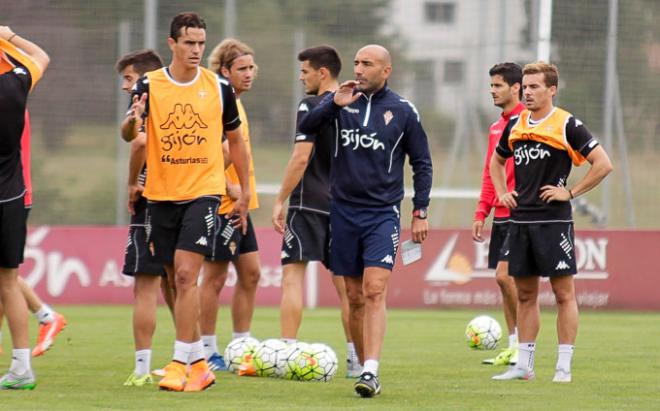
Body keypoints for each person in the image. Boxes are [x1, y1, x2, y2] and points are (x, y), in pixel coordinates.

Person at [121, 12, 250, 392]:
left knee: (184, 274)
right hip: (161, 194)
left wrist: (240, 189)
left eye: (201, 43)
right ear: (172, 44)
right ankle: (198, 362)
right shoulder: (148, 84)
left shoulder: (218, 88)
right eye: (189, 43)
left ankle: (180, 361)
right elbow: (131, 134)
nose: (196, 50)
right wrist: (133, 119)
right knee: (172, 279)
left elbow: (236, 142)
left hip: (204, 192)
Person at [298, 45, 433, 397]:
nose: (358, 69)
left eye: (367, 64)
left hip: (382, 214)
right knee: (354, 297)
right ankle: (360, 363)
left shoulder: (403, 111)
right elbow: (306, 126)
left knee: (374, 289)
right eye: (356, 63)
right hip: (341, 213)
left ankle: (371, 370)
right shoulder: (340, 103)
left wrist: (420, 211)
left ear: (386, 70)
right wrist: (333, 103)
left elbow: (422, 163)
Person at [490, 62, 612, 383]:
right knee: (526, 295)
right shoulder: (515, 123)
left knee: (563, 295)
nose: (527, 92)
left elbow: (603, 164)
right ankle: (524, 366)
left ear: (551, 90)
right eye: (525, 87)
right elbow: (497, 161)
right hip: (520, 221)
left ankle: (563, 367)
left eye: (534, 87)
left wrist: (569, 192)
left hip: (553, 222)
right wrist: (503, 193)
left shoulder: (566, 124)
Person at [271, 45, 359, 378]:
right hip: (346, 206)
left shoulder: (311, 105)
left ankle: (287, 351)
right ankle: (356, 360)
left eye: (305, 71)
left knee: (292, 277)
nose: (301, 77)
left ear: (323, 73)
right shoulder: (357, 106)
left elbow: (300, 157)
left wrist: (281, 199)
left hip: (309, 203)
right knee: (347, 287)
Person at [115, 49, 177, 387]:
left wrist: (130, 183)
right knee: (179, 283)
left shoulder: (145, 94)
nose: (126, 87)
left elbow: (137, 142)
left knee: (145, 287)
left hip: (152, 196)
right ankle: (190, 358)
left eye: (128, 78)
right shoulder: (182, 93)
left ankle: (141, 370)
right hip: (185, 194)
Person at [199, 38, 262, 371]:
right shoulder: (218, 101)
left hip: (241, 205)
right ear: (225, 71)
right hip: (222, 205)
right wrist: (229, 186)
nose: (249, 74)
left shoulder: (237, 102)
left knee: (251, 274)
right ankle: (207, 349)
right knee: (214, 278)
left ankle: (240, 346)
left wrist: (245, 194)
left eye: (252, 67)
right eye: (242, 68)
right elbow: (212, 152)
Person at [0, 25, 50, 389]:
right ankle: (21, 368)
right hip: (12, 197)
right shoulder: (18, 81)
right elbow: (42, 57)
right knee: (8, 282)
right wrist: (12, 36)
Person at [472, 63, 524, 366]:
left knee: (505, 277)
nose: (492, 91)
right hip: (501, 216)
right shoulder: (496, 127)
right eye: (491, 86)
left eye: (498, 86)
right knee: (504, 282)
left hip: (521, 213)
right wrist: (482, 210)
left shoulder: (526, 124)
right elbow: (490, 171)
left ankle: (524, 347)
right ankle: (514, 344)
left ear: (515, 87)